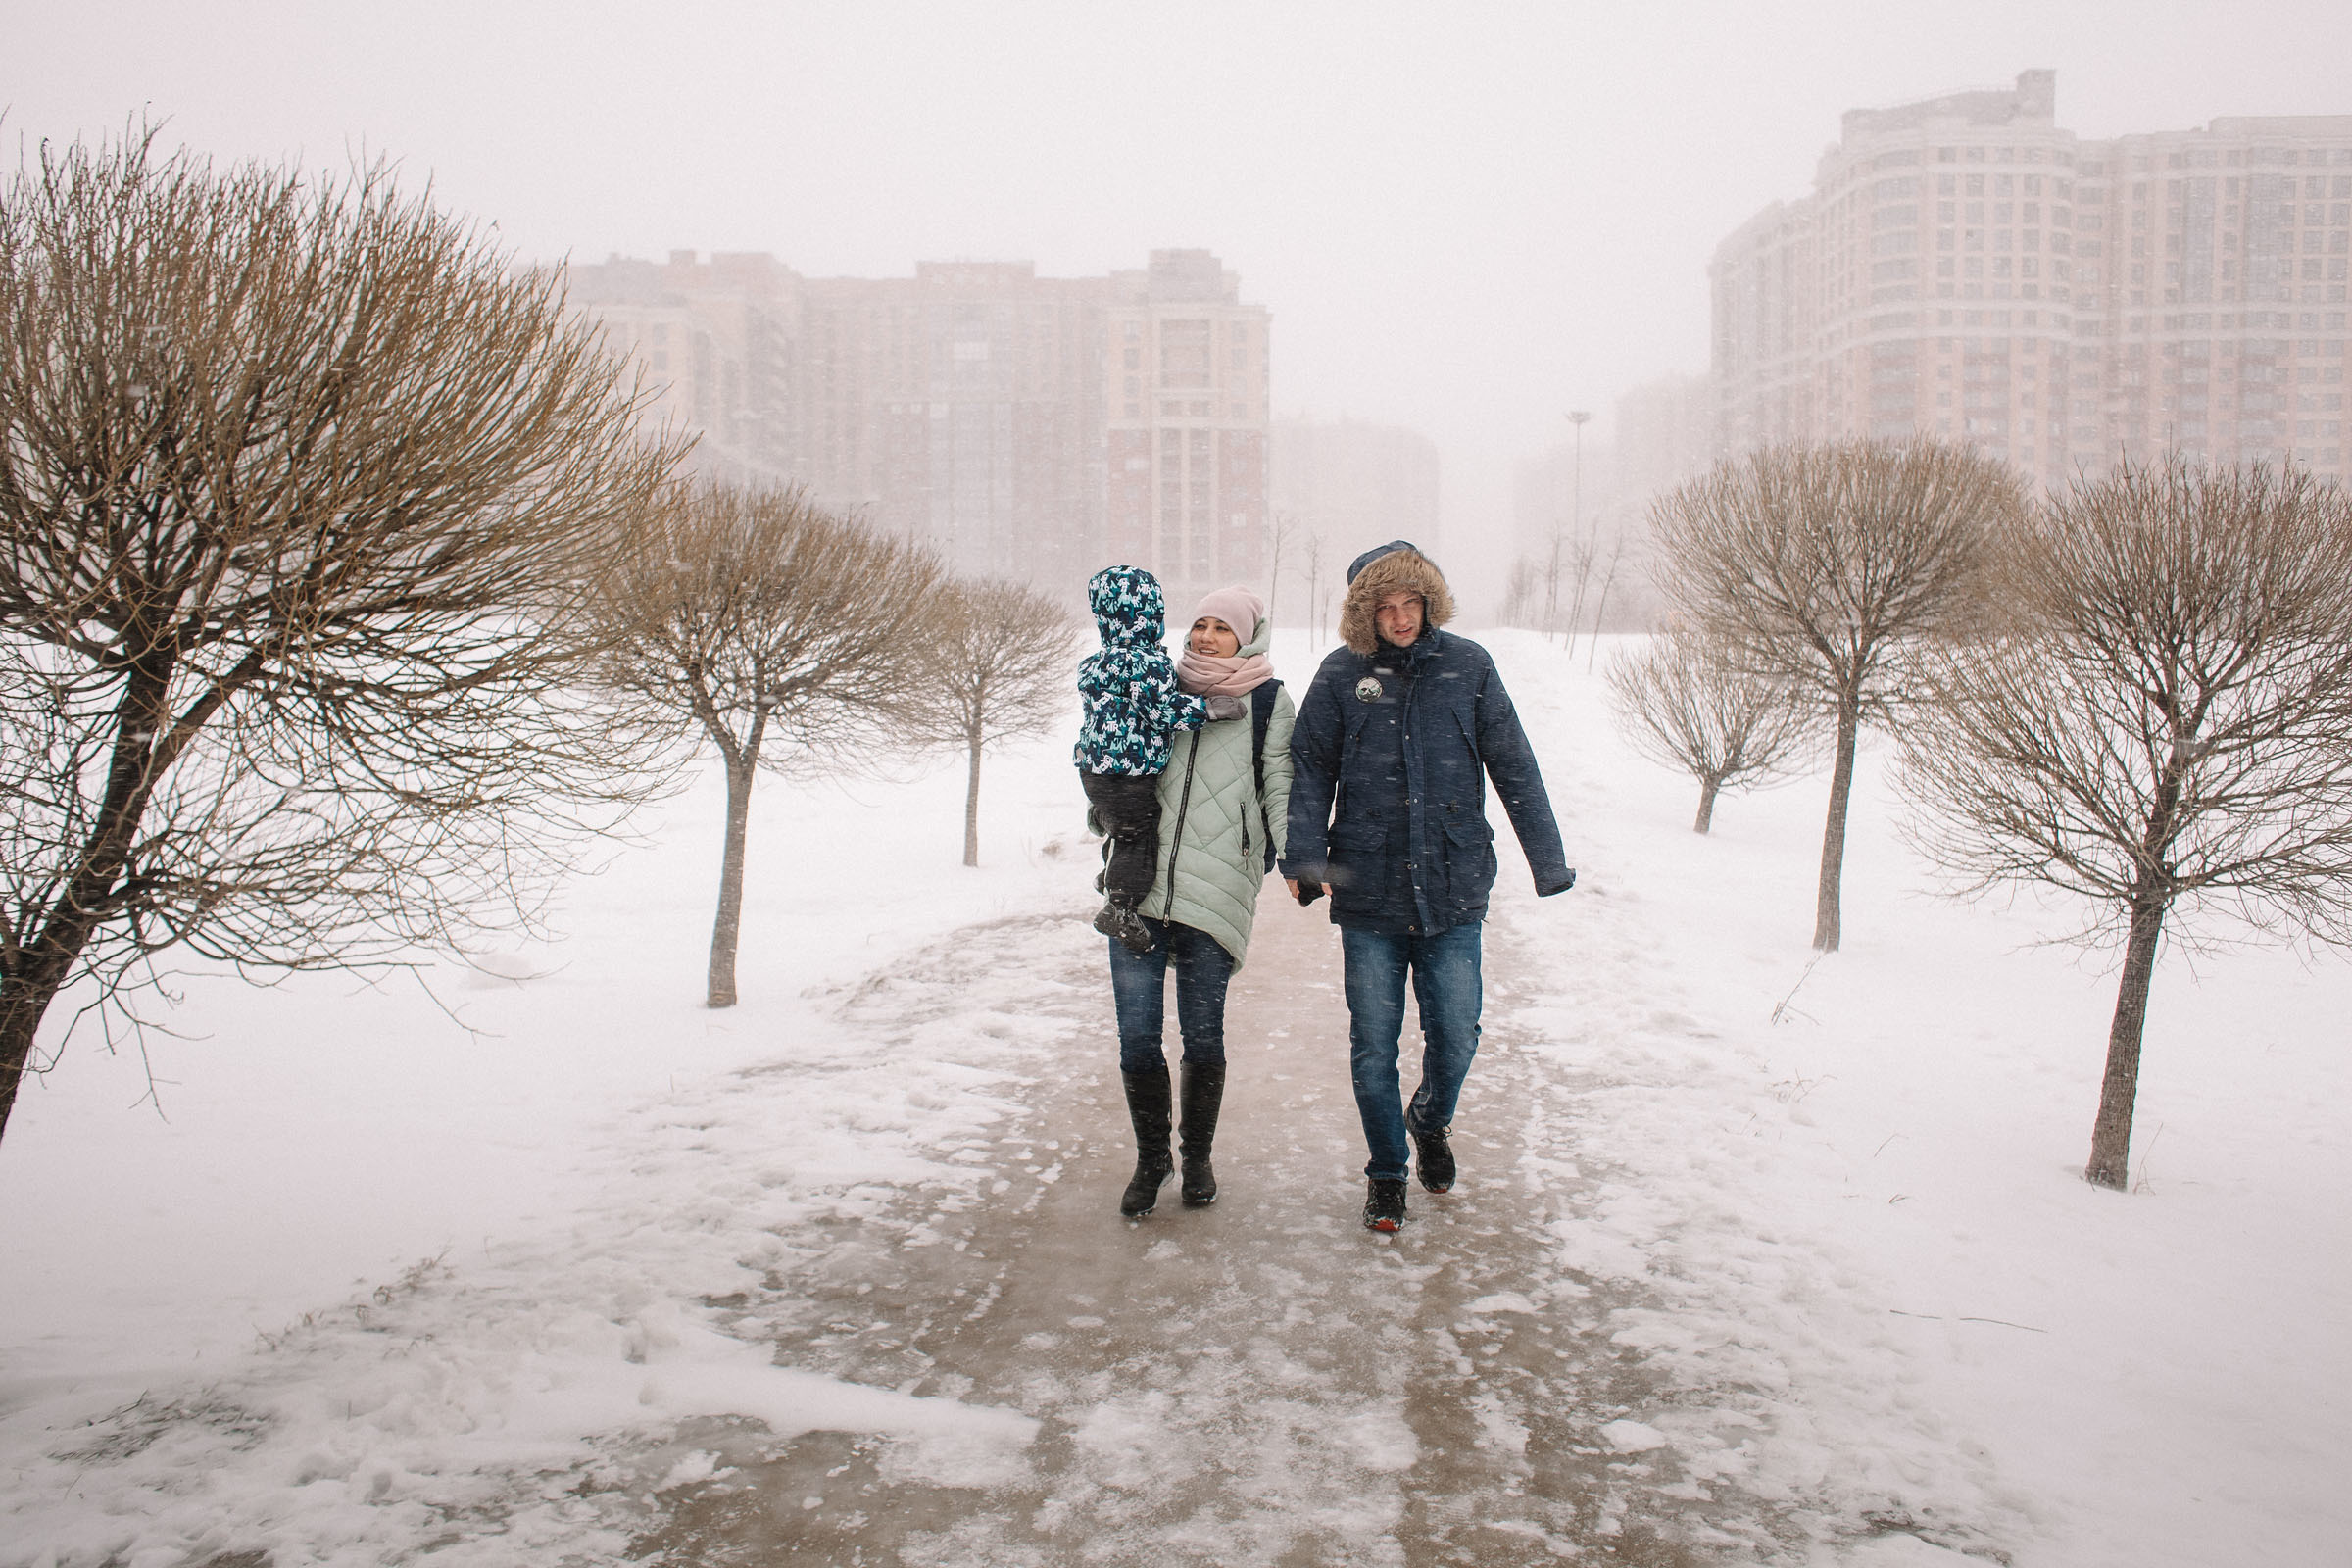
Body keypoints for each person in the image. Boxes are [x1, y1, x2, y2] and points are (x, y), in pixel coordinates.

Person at [1281, 541, 1573, 1233]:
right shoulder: (1342, 675)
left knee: (1457, 1033)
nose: (1401, 618)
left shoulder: (1467, 666)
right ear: (1365, 613)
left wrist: (1548, 861)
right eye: (1385, 607)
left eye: (1412, 603)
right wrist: (1303, 858)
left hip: (1453, 883)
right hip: (1370, 889)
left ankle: (1430, 1118)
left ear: (1429, 603)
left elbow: (1514, 763)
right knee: (1373, 1045)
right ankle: (1386, 1174)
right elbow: (1311, 769)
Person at [1104, 586, 1295, 1218]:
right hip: (1141, 884)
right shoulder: (1156, 684)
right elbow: (1118, 755)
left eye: (1222, 628)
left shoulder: (1267, 700)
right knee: (1137, 1038)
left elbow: (1279, 784)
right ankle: (1151, 1157)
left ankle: (1199, 1156)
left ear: (1248, 638)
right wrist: (1106, 812)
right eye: (1200, 624)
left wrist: (1295, 857)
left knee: (1203, 1037)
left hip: (1218, 886)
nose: (1207, 636)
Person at [1074, 565, 1239, 955]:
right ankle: (1120, 907)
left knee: (1124, 830)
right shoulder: (1150, 664)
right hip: (1130, 771)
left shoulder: (1096, 662)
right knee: (1141, 835)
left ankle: (1111, 877)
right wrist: (1208, 710)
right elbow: (1162, 713)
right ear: (1152, 615)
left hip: (1093, 770)